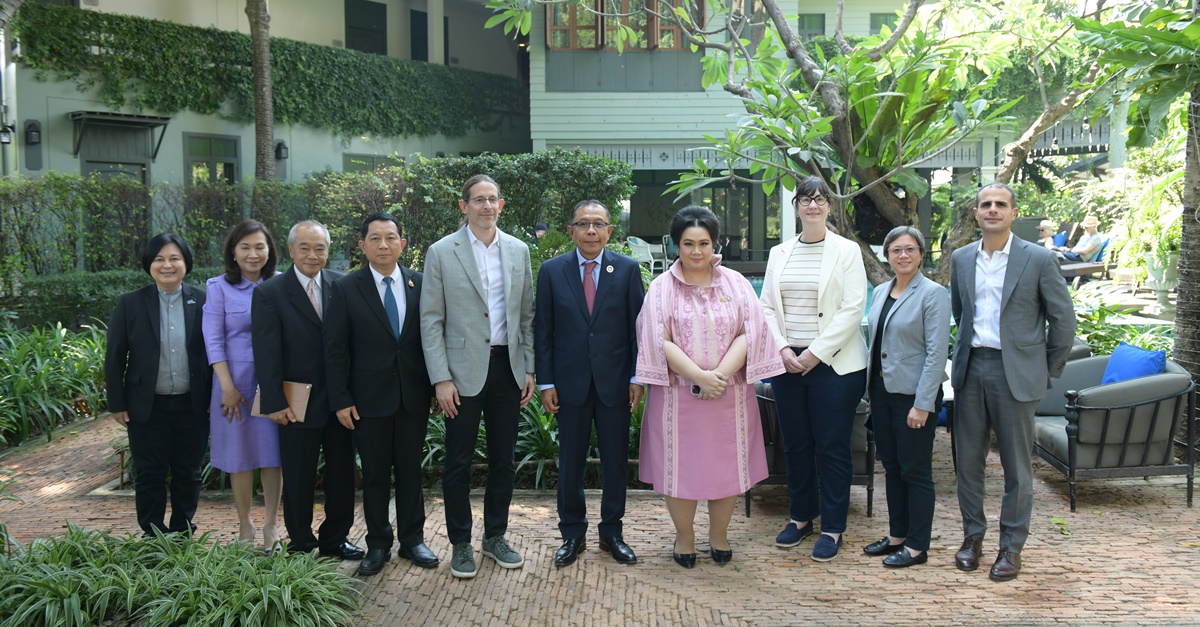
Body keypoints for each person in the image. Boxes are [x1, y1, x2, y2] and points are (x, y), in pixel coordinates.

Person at [636, 206, 784, 568]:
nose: (697, 251)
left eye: (704, 243)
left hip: (728, 396)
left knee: (725, 470)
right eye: (688, 243)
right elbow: (658, 337)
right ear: (676, 245)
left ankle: (719, 536)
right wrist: (699, 377)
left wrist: (717, 376)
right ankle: (684, 539)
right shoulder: (660, 288)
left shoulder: (736, 283)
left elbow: (751, 331)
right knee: (680, 470)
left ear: (717, 244)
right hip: (677, 398)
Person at [950, 182, 1076, 582]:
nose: (992, 209)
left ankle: (1011, 547)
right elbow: (960, 311)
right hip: (971, 370)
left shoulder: (1038, 259)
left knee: (1017, 467)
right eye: (985, 204)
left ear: (1013, 212)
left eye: (1000, 204)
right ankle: (972, 538)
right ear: (975, 213)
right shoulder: (960, 258)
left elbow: (1064, 321)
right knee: (967, 463)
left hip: (1016, 373)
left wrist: (1047, 370)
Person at [421, 174, 536, 579]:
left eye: (493, 200)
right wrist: (440, 378)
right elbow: (431, 320)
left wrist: (529, 368)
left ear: (501, 205)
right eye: (479, 200)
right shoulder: (440, 252)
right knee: (458, 462)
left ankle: (495, 537)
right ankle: (460, 544)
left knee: (504, 460)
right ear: (463, 205)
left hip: (508, 368)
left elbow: (526, 315)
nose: (487, 206)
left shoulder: (519, 250)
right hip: (460, 375)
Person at [759, 175, 868, 562]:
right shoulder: (779, 253)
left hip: (835, 365)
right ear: (796, 206)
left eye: (820, 199)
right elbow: (767, 307)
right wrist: (785, 348)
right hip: (787, 363)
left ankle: (833, 527)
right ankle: (801, 517)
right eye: (806, 199)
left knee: (832, 446)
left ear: (829, 206)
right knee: (797, 443)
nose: (813, 205)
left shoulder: (847, 251)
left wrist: (815, 353)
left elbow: (854, 307)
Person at [535, 200, 645, 568]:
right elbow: (544, 331)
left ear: (610, 231)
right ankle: (572, 533)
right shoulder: (552, 271)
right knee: (570, 462)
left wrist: (636, 377)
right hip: (570, 385)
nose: (591, 231)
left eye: (599, 224)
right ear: (571, 230)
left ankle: (612, 532)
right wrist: (546, 381)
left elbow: (637, 330)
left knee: (615, 462)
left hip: (615, 384)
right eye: (583, 224)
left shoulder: (627, 270)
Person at [325, 212, 435, 577]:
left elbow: (430, 341)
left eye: (391, 237)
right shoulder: (345, 288)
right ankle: (378, 543)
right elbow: (336, 349)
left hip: (413, 397)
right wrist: (340, 398)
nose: (383, 244)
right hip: (367, 401)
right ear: (362, 246)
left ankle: (413, 539)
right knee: (374, 475)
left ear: (403, 244)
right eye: (375, 238)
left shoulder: (421, 284)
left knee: (410, 473)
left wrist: (437, 386)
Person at [251, 220, 364, 563]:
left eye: (320, 248)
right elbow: (266, 353)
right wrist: (273, 402)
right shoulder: (269, 292)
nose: (313, 255)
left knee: (343, 475)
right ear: (290, 250)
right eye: (305, 248)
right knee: (298, 477)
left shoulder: (341, 285)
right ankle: (301, 542)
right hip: (295, 402)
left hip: (340, 402)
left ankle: (335, 538)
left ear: (329, 251)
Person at [104, 234, 211, 537]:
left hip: (193, 403)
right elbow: (114, 357)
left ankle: (181, 530)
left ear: (186, 263)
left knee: (188, 472)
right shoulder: (131, 303)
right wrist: (117, 403)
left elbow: (214, 351)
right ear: (149, 264)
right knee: (149, 473)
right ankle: (152, 534)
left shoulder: (203, 300)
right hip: (145, 405)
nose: (167, 265)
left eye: (175, 258)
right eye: (159, 259)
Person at [862, 226, 951, 569]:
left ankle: (917, 546)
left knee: (916, 471)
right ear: (887, 255)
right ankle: (897, 535)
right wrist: (871, 392)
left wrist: (923, 404)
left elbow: (935, 353)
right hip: (883, 394)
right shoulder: (882, 290)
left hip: (914, 397)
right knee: (893, 467)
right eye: (896, 249)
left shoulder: (933, 294)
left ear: (921, 254)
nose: (903, 255)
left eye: (910, 249)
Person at [202, 220, 282, 550]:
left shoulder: (281, 283)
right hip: (232, 383)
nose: (253, 254)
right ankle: (245, 524)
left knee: (272, 456)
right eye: (245, 247)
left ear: (270, 251)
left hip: (273, 383)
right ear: (233, 252)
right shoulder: (218, 287)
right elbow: (214, 340)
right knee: (239, 458)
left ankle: (271, 526)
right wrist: (227, 387)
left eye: (259, 247)